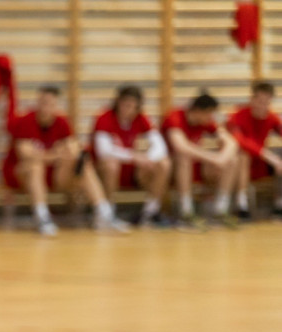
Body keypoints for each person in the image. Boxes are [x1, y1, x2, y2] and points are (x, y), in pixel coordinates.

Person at [2, 86, 129, 236]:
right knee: (35, 166)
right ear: (38, 102)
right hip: (24, 176)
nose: (46, 107)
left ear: (56, 105)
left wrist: (55, 154)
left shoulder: (62, 122)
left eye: (50, 104)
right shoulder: (25, 121)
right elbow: (25, 154)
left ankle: (103, 212)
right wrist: (55, 153)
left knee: (82, 165)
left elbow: (73, 149)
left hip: (53, 175)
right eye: (43, 102)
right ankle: (42, 216)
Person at [91, 85, 171, 227]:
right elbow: (103, 150)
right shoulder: (104, 118)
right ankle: (107, 213)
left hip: (131, 170)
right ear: (118, 103)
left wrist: (148, 158)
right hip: (106, 171)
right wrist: (133, 156)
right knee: (111, 164)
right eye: (125, 105)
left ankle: (150, 212)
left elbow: (160, 146)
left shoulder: (141, 119)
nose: (128, 109)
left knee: (163, 164)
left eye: (132, 106)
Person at [161, 92, 240, 229]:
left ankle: (220, 210)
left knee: (232, 159)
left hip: (196, 169)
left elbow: (231, 142)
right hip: (170, 170)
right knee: (184, 157)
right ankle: (185, 212)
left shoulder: (206, 122)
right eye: (209, 113)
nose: (211, 117)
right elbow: (181, 146)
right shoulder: (175, 117)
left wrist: (222, 158)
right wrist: (213, 157)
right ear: (198, 111)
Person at [226, 80, 282, 219]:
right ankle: (242, 204)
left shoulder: (271, 117)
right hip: (240, 165)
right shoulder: (237, 116)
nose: (263, 106)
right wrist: (267, 155)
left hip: (260, 165)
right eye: (260, 101)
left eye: (266, 102)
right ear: (252, 99)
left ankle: (279, 204)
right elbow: (240, 141)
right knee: (243, 155)